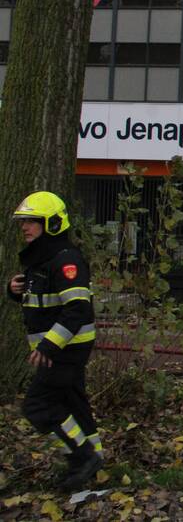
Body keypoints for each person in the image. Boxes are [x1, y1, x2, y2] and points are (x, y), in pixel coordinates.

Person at [7, 191, 103, 491]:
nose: (25, 227)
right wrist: (15, 291)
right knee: (73, 403)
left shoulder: (65, 259)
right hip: (57, 348)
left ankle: (82, 457)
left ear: (52, 223)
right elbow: (44, 302)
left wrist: (49, 345)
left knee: (38, 406)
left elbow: (77, 308)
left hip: (64, 349)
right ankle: (94, 458)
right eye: (23, 222)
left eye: (32, 221)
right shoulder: (42, 259)